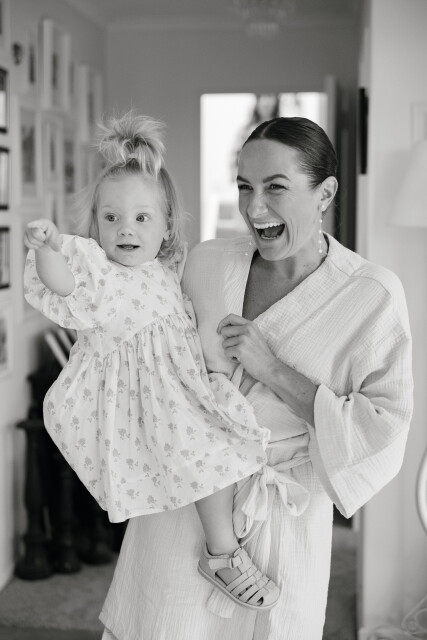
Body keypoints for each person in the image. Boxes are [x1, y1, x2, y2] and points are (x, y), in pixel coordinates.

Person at [99, 116, 413, 640]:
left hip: (285, 518)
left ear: (325, 193)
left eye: (275, 187)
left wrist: (272, 370)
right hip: (185, 504)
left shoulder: (372, 295)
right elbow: (150, 355)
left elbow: (382, 429)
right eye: (245, 186)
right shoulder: (205, 263)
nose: (253, 207)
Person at [23, 111, 281, 610]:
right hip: (147, 403)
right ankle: (222, 554)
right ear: (95, 225)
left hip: (182, 388)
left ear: (166, 229)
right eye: (111, 218)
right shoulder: (101, 275)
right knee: (205, 459)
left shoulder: (166, 269)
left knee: (224, 446)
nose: (126, 229)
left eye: (142, 218)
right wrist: (50, 247)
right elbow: (64, 283)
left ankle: (226, 542)